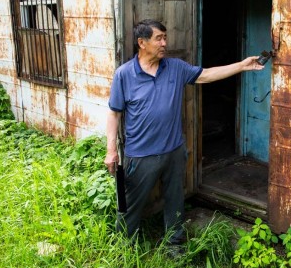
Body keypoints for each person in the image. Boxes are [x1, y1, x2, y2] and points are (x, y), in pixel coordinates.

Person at [104, 19, 265, 245]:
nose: (164, 43)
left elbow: (206, 75)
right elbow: (114, 114)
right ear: (142, 42)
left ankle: (174, 244)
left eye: (165, 37)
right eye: (158, 38)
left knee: (175, 200)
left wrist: (242, 65)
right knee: (130, 205)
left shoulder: (175, 68)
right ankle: (124, 247)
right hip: (140, 154)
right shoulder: (124, 75)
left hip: (173, 151)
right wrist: (111, 150)